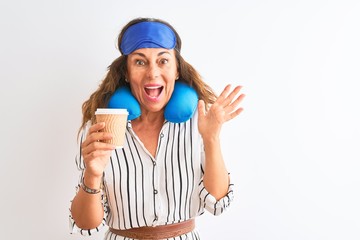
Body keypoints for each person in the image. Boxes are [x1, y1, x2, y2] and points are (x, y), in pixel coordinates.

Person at [69, 17, 245, 239]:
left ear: (177, 70)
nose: (152, 73)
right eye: (140, 62)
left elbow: (218, 203)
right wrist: (92, 175)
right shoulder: (100, 130)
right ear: (126, 72)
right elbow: (85, 225)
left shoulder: (200, 123)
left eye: (163, 61)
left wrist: (211, 139)